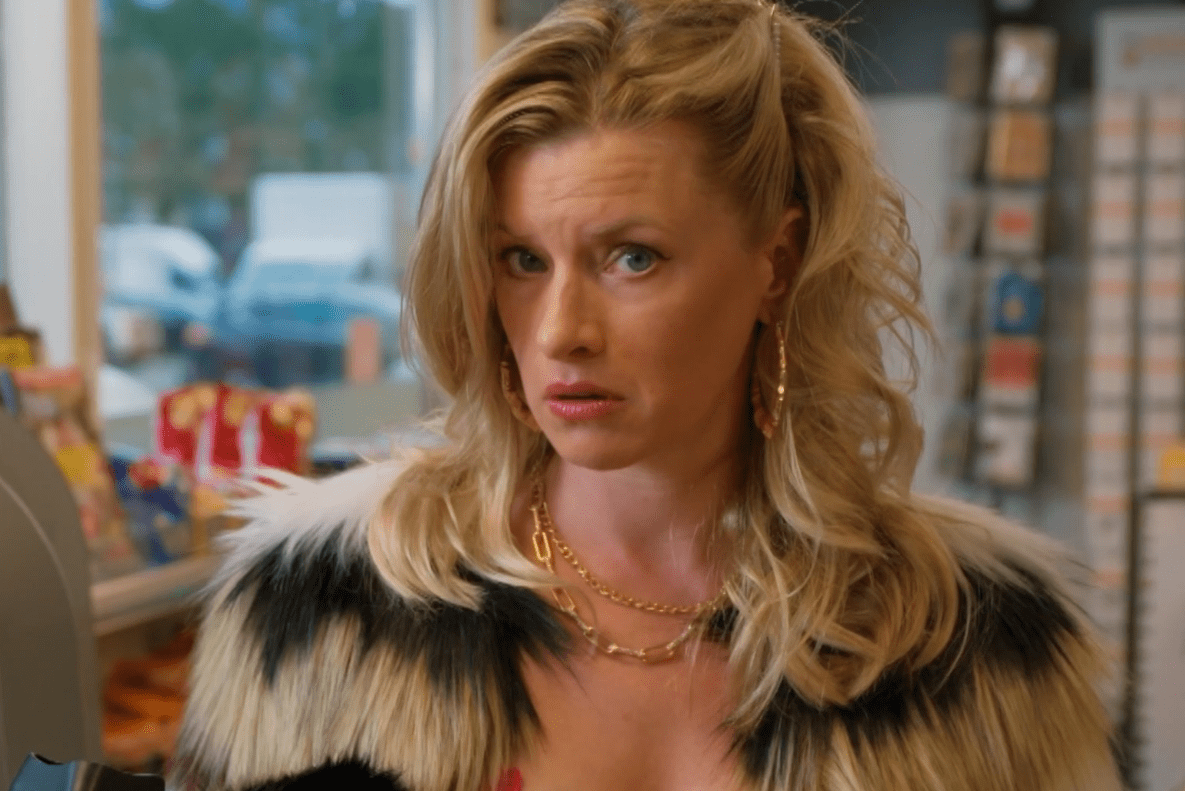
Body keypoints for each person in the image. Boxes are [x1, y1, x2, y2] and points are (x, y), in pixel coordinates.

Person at [168, 1, 1122, 789]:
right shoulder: (320, 615)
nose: (560, 331)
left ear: (776, 263)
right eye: (522, 260)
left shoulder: (974, 650)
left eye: (632, 257)